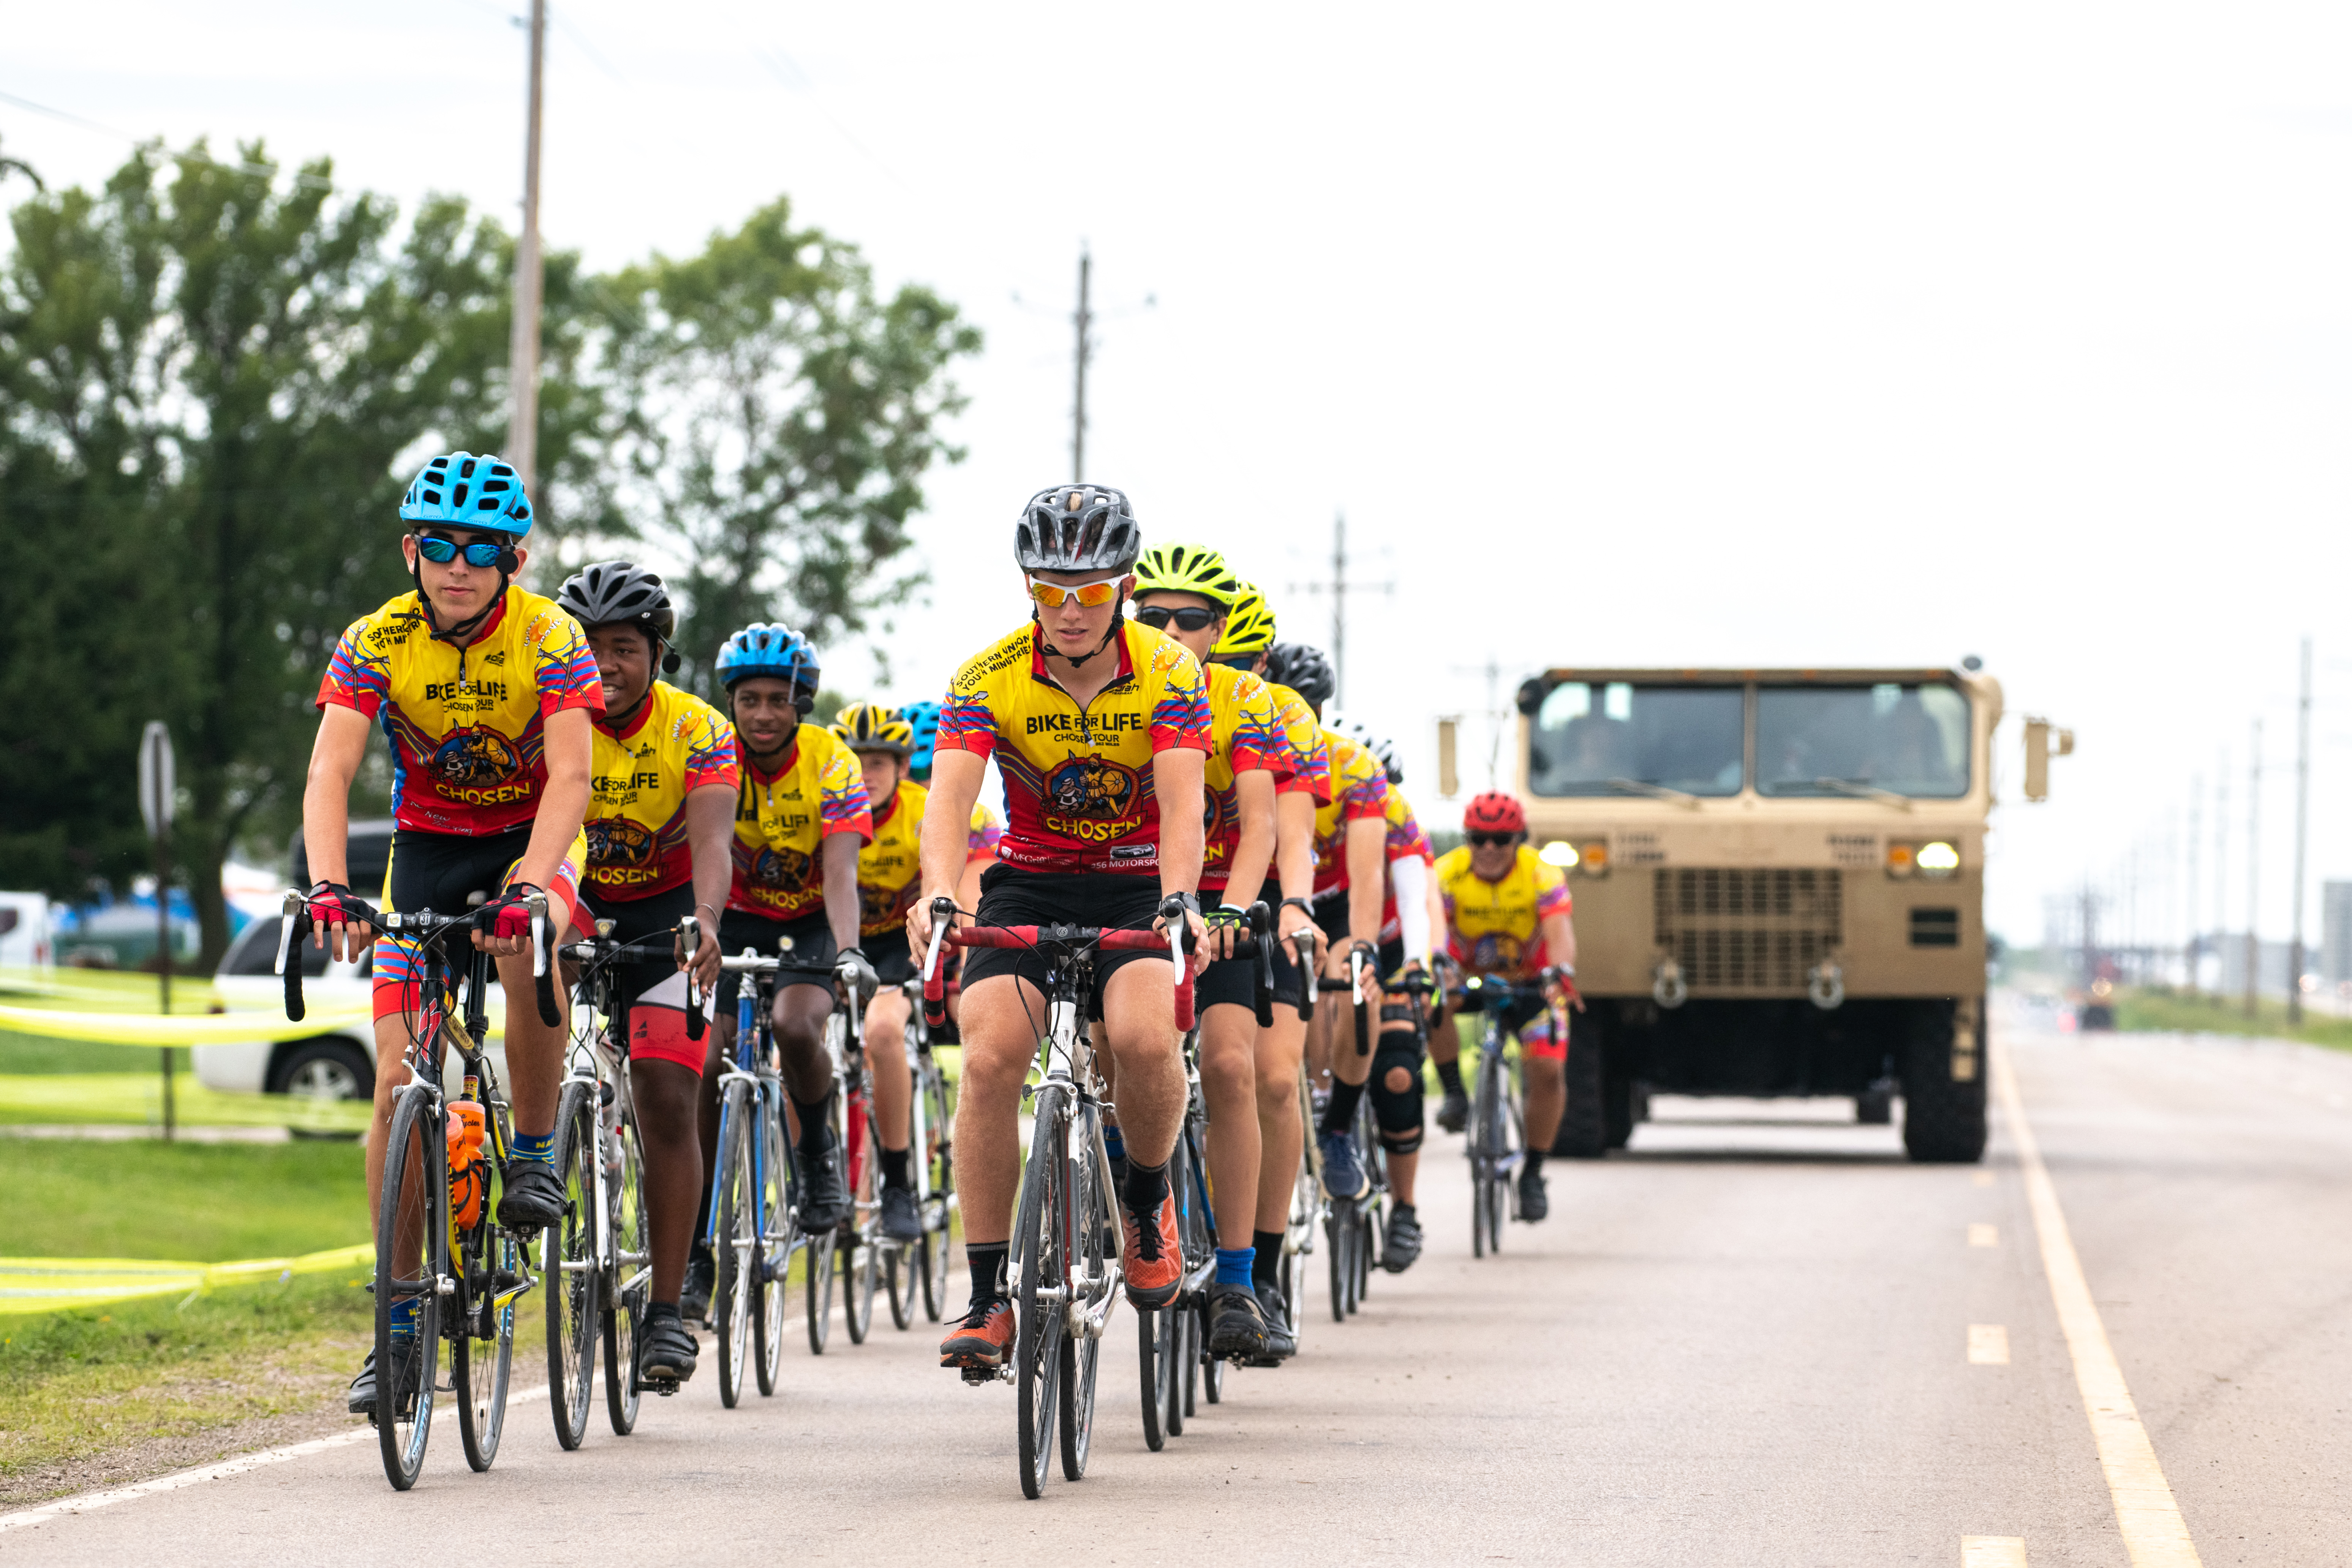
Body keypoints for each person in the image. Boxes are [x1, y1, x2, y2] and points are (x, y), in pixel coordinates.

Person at [301, 452, 600, 1416]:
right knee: (396, 1085)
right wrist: (330, 886)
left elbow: (572, 777)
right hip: (426, 846)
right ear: (412, 551)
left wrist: (532, 883)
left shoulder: (551, 635)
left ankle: (536, 1151)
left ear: (513, 559)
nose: (458, 565)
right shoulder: (375, 639)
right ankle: (396, 1324)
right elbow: (329, 773)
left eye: (481, 549)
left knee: (523, 943)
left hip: (532, 833)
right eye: (440, 546)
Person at [908, 484, 1211, 1373]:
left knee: (1143, 1038)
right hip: (1029, 884)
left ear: (1124, 588)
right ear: (1028, 588)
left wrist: (1181, 897)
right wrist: (939, 892)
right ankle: (986, 1297)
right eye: (1050, 590)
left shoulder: (1170, 672)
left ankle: (1146, 1200)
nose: (1069, 610)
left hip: (1135, 884)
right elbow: (949, 803)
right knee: (989, 1058)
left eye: (1090, 591)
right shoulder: (985, 676)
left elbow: (1182, 804)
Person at [556, 561, 733, 1386]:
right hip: (577, 901)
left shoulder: (698, 728)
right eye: (588, 645)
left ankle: (666, 1310)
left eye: (623, 647)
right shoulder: (549, 717)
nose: (605, 663)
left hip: (670, 918)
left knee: (667, 1095)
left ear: (658, 654)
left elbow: (713, 842)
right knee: (536, 1015)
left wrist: (706, 919)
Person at [1127, 543, 1296, 1358]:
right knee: (1117, 1057)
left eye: (1188, 618)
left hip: (1223, 899)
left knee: (1231, 1067)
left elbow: (1261, 823)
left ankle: (1237, 1278)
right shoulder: (1113, 690)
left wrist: (1233, 909)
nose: (1170, 630)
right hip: (1136, 893)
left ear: (1217, 630)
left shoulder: (1245, 699)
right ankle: (1134, 1193)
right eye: (1153, 615)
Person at [680, 624, 874, 1322]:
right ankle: (695, 1247)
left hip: (810, 923)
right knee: (706, 1061)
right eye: (749, 700)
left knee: (795, 1026)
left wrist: (849, 951)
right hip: (730, 921)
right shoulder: (711, 751)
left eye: (778, 700)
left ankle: (817, 1150)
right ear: (731, 702)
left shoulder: (831, 760)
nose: (763, 714)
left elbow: (841, 871)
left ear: (803, 704)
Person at [1203, 582, 1326, 1355]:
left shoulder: (1277, 713)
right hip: (1166, 890)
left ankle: (1264, 1273)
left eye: (1241, 657)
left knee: (1273, 1079)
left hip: (1263, 896)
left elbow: (1294, 831)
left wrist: (1297, 906)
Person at [826, 701, 995, 1244]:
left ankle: (897, 1182)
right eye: (854, 762)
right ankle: (822, 1181)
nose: (865, 774)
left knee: (882, 1031)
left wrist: (963, 966)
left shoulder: (927, 813)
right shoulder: (824, 807)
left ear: (902, 768)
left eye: (877, 763)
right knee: (792, 1054)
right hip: (841, 941)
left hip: (904, 944)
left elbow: (966, 895)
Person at [1328, 713, 1447, 1271]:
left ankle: (1405, 1209)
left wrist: (1423, 963)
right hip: (1332, 935)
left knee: (1397, 1070)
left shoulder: (1398, 816)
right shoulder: (1312, 803)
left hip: (1393, 946)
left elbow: (1424, 901)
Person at [1431, 790, 1579, 1221]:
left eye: (1502, 839)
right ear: (1467, 840)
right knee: (1432, 998)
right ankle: (1455, 1094)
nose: (1490, 848)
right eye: (1479, 838)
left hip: (1531, 984)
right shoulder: (1447, 874)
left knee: (1548, 1073)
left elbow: (1560, 934)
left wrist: (1560, 973)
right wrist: (1438, 967)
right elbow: (1434, 933)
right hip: (1468, 980)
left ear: (1520, 839)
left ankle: (1533, 1172)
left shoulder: (1541, 874)